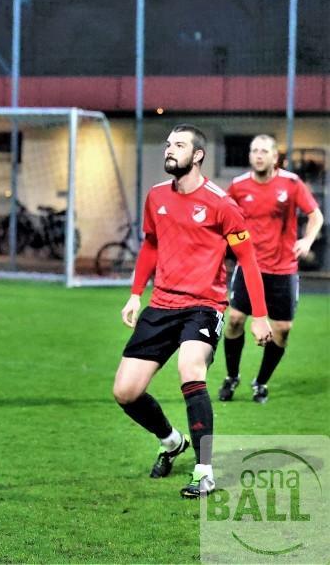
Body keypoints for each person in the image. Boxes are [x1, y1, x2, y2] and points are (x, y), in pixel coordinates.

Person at [112, 124, 273, 498]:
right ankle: (171, 442)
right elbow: (151, 245)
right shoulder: (156, 197)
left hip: (204, 306)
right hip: (162, 304)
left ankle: (204, 471)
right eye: (168, 144)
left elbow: (248, 260)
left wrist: (260, 315)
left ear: (197, 155)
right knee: (125, 392)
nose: (169, 150)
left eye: (179, 145)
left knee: (190, 368)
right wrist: (136, 295)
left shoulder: (221, 204)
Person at [218, 135, 323, 403]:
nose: (259, 155)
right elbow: (223, 217)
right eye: (254, 150)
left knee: (283, 330)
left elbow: (315, 215)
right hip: (248, 265)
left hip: (283, 268)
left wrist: (307, 240)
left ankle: (260, 382)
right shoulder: (239, 186)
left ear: (275, 157)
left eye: (264, 151)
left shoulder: (291, 183)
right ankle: (232, 377)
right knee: (234, 320)